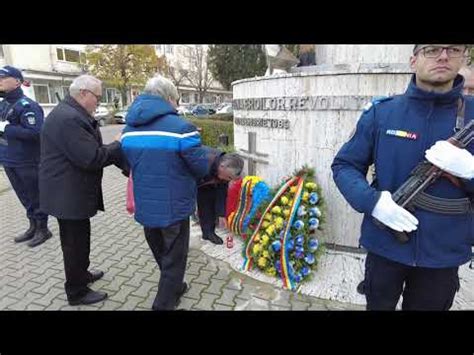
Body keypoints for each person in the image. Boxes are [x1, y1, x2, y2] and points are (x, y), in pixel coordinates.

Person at [332, 44, 474, 310]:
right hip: (385, 246)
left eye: (453, 49)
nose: (443, 56)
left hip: (443, 255)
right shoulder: (382, 113)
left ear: (463, 56)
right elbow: (344, 165)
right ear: (413, 60)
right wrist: (373, 202)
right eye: (432, 49)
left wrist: (471, 171)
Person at [121, 75, 209, 311]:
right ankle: (164, 303)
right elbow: (200, 168)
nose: (177, 104)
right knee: (175, 257)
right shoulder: (182, 129)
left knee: (161, 250)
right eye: (177, 99)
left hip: (145, 204)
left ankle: (175, 285)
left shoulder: (128, 129)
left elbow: (128, 164)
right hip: (174, 206)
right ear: (169, 98)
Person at [39, 75, 128, 306]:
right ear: (83, 94)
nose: (98, 102)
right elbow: (91, 157)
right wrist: (118, 143)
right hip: (66, 193)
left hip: (70, 190)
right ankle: (76, 291)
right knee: (74, 244)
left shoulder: (72, 113)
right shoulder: (69, 118)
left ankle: (82, 274)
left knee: (81, 239)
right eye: (97, 97)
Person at [0, 65, 53, 247]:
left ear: (17, 81)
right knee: (23, 196)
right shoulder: (3, 104)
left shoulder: (28, 105)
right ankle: (32, 225)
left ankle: (43, 229)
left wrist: (7, 128)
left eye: (2, 77)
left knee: (34, 195)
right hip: (8, 158)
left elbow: (36, 133)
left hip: (26, 160)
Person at [197, 149, 243, 245]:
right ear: (222, 166)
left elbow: (222, 195)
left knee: (209, 200)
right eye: (229, 177)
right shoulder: (203, 162)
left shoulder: (222, 174)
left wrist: (221, 214)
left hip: (206, 183)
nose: (229, 180)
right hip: (188, 181)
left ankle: (208, 233)